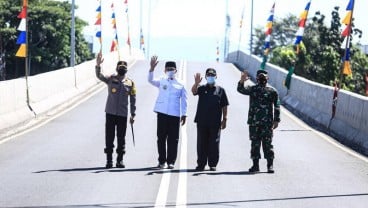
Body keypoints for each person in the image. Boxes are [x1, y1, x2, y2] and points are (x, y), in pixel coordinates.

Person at [95, 52, 136, 168]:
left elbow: (133, 100)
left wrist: (133, 114)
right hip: (110, 113)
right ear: (117, 69)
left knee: (121, 138)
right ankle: (109, 160)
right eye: (120, 68)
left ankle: (120, 160)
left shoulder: (131, 83)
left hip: (123, 114)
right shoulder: (111, 79)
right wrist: (98, 65)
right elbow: (99, 76)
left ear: (126, 70)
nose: (121, 69)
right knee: (109, 136)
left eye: (123, 68)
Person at [237, 69, 280, 173]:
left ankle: (270, 166)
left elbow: (277, 106)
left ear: (267, 78)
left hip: (267, 123)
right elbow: (240, 90)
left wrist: (276, 120)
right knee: (255, 144)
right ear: (256, 78)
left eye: (264, 77)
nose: (262, 79)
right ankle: (255, 166)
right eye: (260, 77)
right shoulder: (252, 89)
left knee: (268, 144)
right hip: (254, 122)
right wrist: (242, 81)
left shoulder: (272, 91)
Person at [148, 55, 187, 169]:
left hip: (174, 115)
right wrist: (151, 69)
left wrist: (184, 114)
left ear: (176, 70)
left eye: (172, 69)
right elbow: (150, 80)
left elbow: (184, 100)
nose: (170, 71)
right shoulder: (161, 80)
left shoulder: (181, 83)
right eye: (168, 69)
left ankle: (171, 161)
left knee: (173, 139)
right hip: (162, 113)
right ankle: (161, 161)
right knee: (161, 138)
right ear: (164, 70)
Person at [192, 68, 229, 171]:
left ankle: (212, 164)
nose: (210, 77)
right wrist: (196, 83)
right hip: (202, 121)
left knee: (214, 143)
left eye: (212, 75)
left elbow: (225, 105)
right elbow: (194, 92)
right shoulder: (202, 88)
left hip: (215, 122)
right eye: (208, 75)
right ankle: (201, 164)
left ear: (216, 76)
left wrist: (225, 119)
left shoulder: (220, 90)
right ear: (206, 77)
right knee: (201, 143)